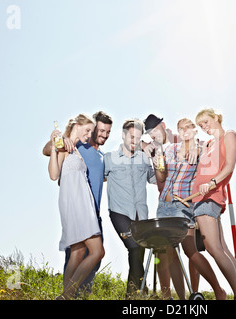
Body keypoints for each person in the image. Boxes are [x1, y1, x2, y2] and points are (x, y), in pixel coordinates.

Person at [153, 118, 226, 300]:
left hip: (183, 206)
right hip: (163, 206)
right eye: (181, 128)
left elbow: (212, 170)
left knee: (189, 250)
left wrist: (196, 149)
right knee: (164, 251)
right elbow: (162, 178)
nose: (185, 130)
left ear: (195, 130)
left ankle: (218, 290)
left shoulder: (203, 151)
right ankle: (168, 298)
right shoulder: (169, 149)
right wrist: (158, 164)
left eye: (188, 127)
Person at [43, 111, 112, 293]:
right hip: (78, 205)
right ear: (77, 125)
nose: (90, 135)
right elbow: (53, 175)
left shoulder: (77, 148)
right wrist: (55, 144)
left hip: (85, 204)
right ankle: (68, 295)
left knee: (78, 252)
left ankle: (65, 296)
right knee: (97, 252)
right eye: (88, 130)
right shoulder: (65, 145)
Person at [192, 108, 236, 300]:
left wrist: (211, 183)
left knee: (213, 248)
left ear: (216, 118)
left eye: (206, 122)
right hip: (199, 198)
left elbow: (229, 166)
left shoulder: (229, 136)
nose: (204, 127)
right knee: (222, 249)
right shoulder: (208, 144)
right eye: (201, 125)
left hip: (210, 196)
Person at [104, 119, 156, 298]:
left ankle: (141, 290)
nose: (134, 141)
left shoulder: (144, 159)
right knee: (134, 247)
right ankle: (132, 295)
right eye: (132, 136)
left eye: (138, 138)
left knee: (139, 249)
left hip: (141, 214)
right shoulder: (109, 158)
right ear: (123, 135)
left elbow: (154, 179)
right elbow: (98, 178)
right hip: (119, 212)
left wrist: (156, 156)